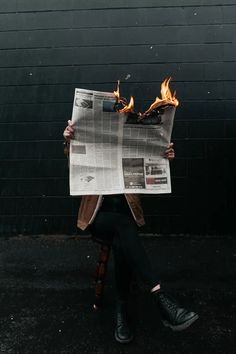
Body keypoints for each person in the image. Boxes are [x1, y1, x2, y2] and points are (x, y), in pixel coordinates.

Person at [63, 119, 199, 344]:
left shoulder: (128, 141)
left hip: (125, 216)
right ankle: (159, 296)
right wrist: (68, 140)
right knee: (122, 227)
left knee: (121, 239)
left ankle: (121, 310)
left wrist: (164, 158)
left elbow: (150, 172)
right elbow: (74, 166)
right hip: (99, 216)